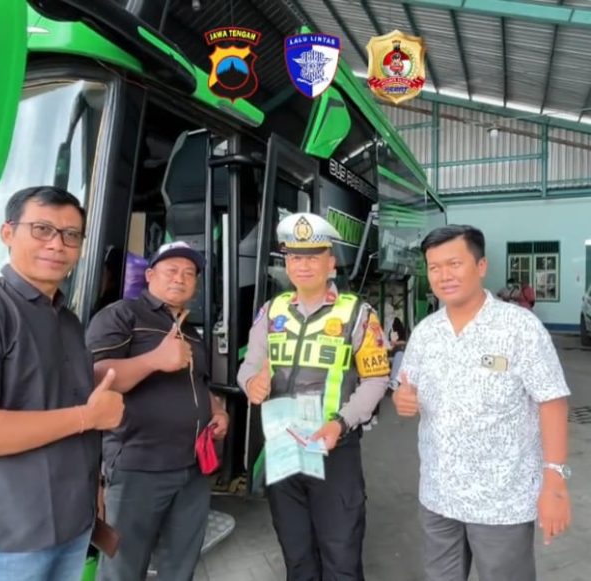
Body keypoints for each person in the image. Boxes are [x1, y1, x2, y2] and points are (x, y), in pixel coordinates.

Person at [0, 186, 125, 581]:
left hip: (72, 527)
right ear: (8, 233)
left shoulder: (68, 321)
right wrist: (88, 417)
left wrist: (95, 491)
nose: (57, 244)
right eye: (42, 229)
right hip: (5, 542)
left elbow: (63, 404)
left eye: (71, 235)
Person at [393, 225, 571, 581]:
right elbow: (406, 388)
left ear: (481, 266)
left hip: (502, 501)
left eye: (454, 264)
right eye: (434, 267)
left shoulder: (520, 328)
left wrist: (554, 482)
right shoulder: (426, 332)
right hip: (439, 496)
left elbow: (552, 400)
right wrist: (403, 399)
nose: (444, 276)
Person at [237, 212, 391, 580]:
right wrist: (250, 383)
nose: (303, 265)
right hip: (284, 448)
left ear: (330, 263)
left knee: (341, 557)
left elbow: (376, 379)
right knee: (297, 557)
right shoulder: (271, 312)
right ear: (287, 263)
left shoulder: (357, 314)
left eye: (312, 256)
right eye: (295, 257)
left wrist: (341, 423)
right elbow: (250, 365)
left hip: (333, 448)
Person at [86, 240, 229, 581]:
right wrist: (154, 360)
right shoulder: (123, 315)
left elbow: (198, 383)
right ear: (150, 275)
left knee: (180, 567)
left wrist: (217, 410)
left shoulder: (190, 330)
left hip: (192, 468)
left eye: (189, 273)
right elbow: (92, 377)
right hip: (139, 467)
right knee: (123, 568)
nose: (180, 278)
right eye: (172, 270)